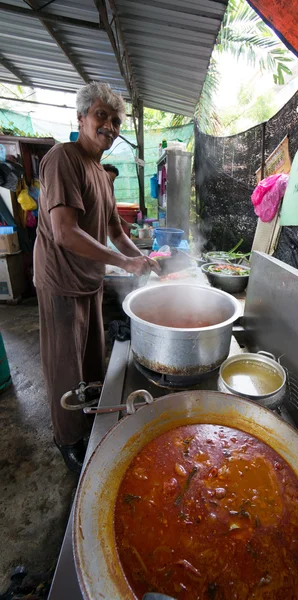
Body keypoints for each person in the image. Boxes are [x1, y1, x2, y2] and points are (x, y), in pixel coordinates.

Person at [33, 82, 160, 474]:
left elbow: (116, 230)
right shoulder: (62, 159)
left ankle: (88, 420)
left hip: (89, 280)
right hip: (60, 281)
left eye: (116, 120)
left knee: (91, 359)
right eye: (101, 115)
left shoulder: (100, 174)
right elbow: (65, 232)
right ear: (82, 118)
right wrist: (123, 264)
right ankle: (67, 438)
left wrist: (144, 258)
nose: (109, 125)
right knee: (65, 367)